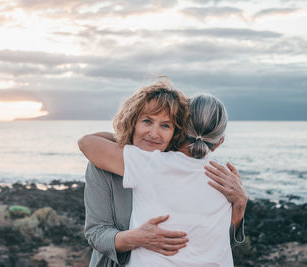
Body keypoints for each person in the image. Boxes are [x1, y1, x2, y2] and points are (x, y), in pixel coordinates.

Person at [79, 82, 247, 266]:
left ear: (178, 130)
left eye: (166, 125)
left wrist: (239, 204)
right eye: (147, 121)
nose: (154, 134)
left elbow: (215, 243)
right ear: (132, 121)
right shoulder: (105, 163)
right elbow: (96, 234)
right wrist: (135, 238)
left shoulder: (209, 176)